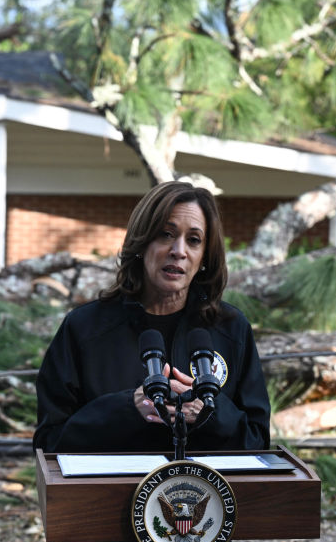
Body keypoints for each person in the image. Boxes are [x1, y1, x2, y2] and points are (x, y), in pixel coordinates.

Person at [34, 181, 270, 453]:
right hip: (110, 493)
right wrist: (126, 408)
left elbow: (258, 441)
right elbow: (49, 443)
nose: (179, 251)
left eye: (193, 240)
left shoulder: (231, 328)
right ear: (141, 242)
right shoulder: (84, 328)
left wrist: (211, 415)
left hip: (206, 493)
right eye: (166, 234)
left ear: (205, 256)